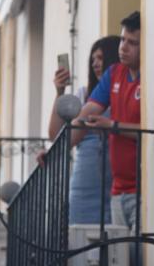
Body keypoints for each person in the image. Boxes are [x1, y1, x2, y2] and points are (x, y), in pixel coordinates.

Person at [69, 12, 142, 232]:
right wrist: (59, 145)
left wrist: (112, 126)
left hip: (142, 190)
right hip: (118, 192)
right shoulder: (114, 73)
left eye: (132, 43)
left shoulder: (150, 75)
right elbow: (87, 112)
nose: (124, 47)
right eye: (122, 40)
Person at [46, 36, 120, 224]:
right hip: (85, 183)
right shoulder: (83, 95)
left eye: (101, 58)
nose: (95, 63)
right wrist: (60, 93)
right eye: (93, 59)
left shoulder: (122, 91)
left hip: (115, 182)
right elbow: (55, 135)